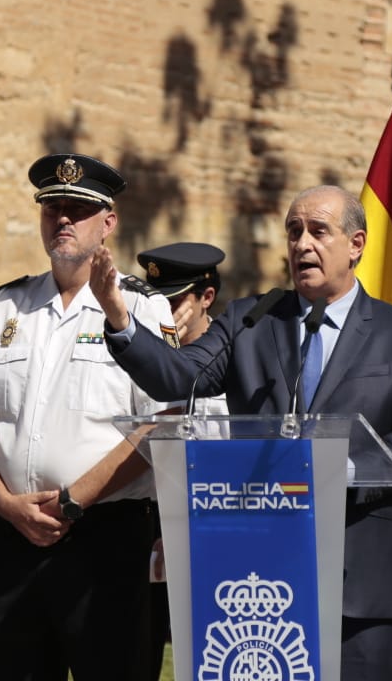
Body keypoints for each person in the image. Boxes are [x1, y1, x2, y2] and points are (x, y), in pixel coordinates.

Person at [92, 184, 392, 681]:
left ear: (356, 244)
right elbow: (178, 376)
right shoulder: (250, 320)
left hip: (363, 577)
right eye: (294, 231)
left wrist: (338, 470)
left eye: (318, 231)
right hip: (259, 575)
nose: (302, 244)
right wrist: (118, 316)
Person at [0, 153, 180, 681]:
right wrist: (4, 502)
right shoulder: (5, 307)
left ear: (108, 222)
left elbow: (162, 425)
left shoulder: (141, 307)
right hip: (13, 535)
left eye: (78, 209)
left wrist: (72, 501)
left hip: (105, 539)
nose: (63, 218)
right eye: (52, 208)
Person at [134, 241, 227, 680]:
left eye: (171, 302)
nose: (161, 313)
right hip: (143, 524)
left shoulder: (234, 360)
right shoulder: (134, 356)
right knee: (135, 655)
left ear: (206, 297)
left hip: (215, 525)